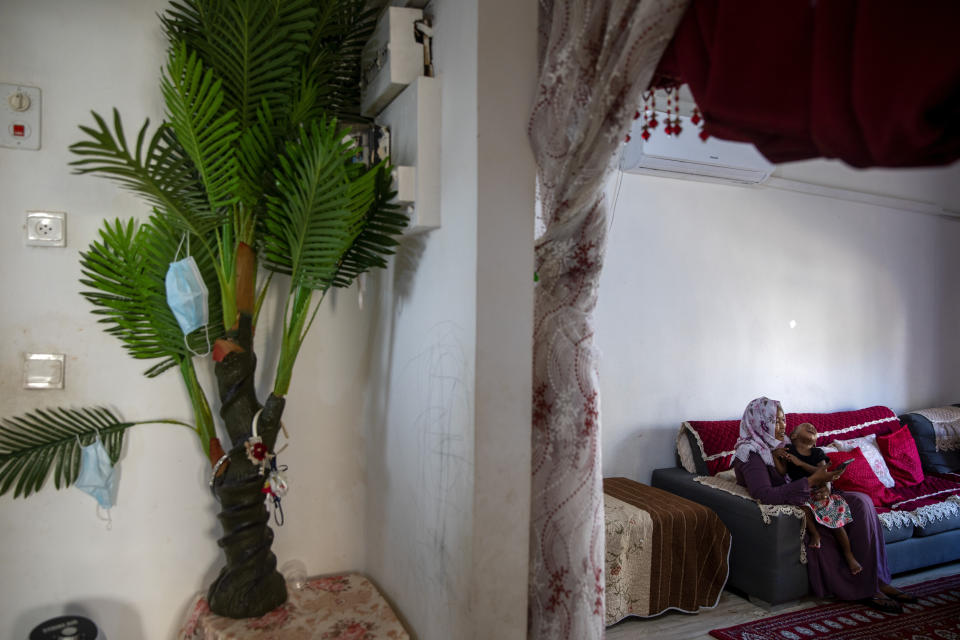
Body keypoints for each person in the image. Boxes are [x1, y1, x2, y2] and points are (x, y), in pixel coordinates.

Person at [732, 397, 916, 614]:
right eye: (775, 421)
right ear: (760, 422)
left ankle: (877, 579)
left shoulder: (781, 447)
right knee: (832, 522)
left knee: (862, 503)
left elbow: (807, 468)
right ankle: (864, 589)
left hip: (813, 494)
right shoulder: (750, 454)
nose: (782, 426)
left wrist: (824, 484)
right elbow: (765, 494)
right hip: (799, 503)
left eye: (783, 420)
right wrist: (810, 482)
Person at [774, 422, 860, 575]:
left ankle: (849, 555)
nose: (812, 427)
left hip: (819, 491)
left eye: (814, 429)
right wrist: (775, 455)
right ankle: (815, 534)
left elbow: (823, 472)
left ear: (815, 441)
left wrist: (800, 463)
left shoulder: (817, 452)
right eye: (806, 426)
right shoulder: (790, 450)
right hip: (800, 491)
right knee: (802, 507)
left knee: (836, 521)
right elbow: (782, 471)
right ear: (793, 435)